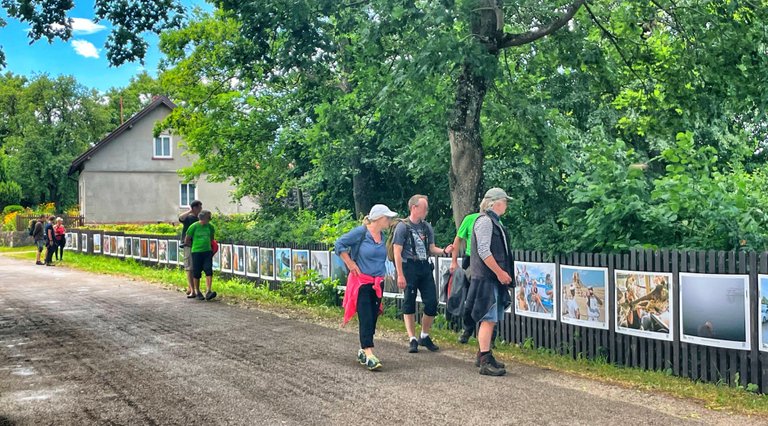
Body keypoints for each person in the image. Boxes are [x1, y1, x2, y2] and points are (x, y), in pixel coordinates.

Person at [335, 204, 398, 371]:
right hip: (361, 282)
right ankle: (369, 353)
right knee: (366, 316)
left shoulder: (383, 236)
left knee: (373, 317)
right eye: (387, 218)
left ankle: (363, 350)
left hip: (377, 283)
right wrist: (350, 263)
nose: (389, 221)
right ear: (378, 218)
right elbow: (339, 244)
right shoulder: (361, 233)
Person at [393, 194, 453, 353]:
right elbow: (397, 251)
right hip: (409, 266)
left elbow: (431, 248)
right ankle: (412, 338)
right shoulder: (402, 227)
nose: (426, 211)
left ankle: (424, 335)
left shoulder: (427, 227)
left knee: (432, 302)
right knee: (409, 301)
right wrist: (400, 274)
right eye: (424, 208)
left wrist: (444, 251)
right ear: (414, 208)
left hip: (424, 266)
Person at [465, 188, 513, 376]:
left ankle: (484, 354)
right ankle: (485, 360)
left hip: (490, 277)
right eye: (505, 202)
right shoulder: (485, 221)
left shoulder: (492, 221)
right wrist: (500, 272)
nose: (506, 205)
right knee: (488, 318)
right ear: (496, 203)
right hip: (486, 278)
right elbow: (485, 251)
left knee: (491, 319)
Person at [184, 210, 217, 301]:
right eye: (209, 217)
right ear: (204, 218)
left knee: (208, 269)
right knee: (197, 272)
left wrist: (210, 247)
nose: (210, 219)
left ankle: (208, 291)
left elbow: (212, 238)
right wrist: (194, 246)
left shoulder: (210, 227)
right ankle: (197, 291)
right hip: (196, 252)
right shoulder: (193, 227)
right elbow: (187, 239)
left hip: (207, 251)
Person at [179, 200, 203, 298]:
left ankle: (191, 287)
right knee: (189, 267)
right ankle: (193, 290)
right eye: (199, 207)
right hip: (188, 245)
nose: (201, 209)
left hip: (197, 245)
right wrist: (189, 211)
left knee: (196, 268)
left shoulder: (199, 219)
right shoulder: (188, 218)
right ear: (195, 208)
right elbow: (181, 218)